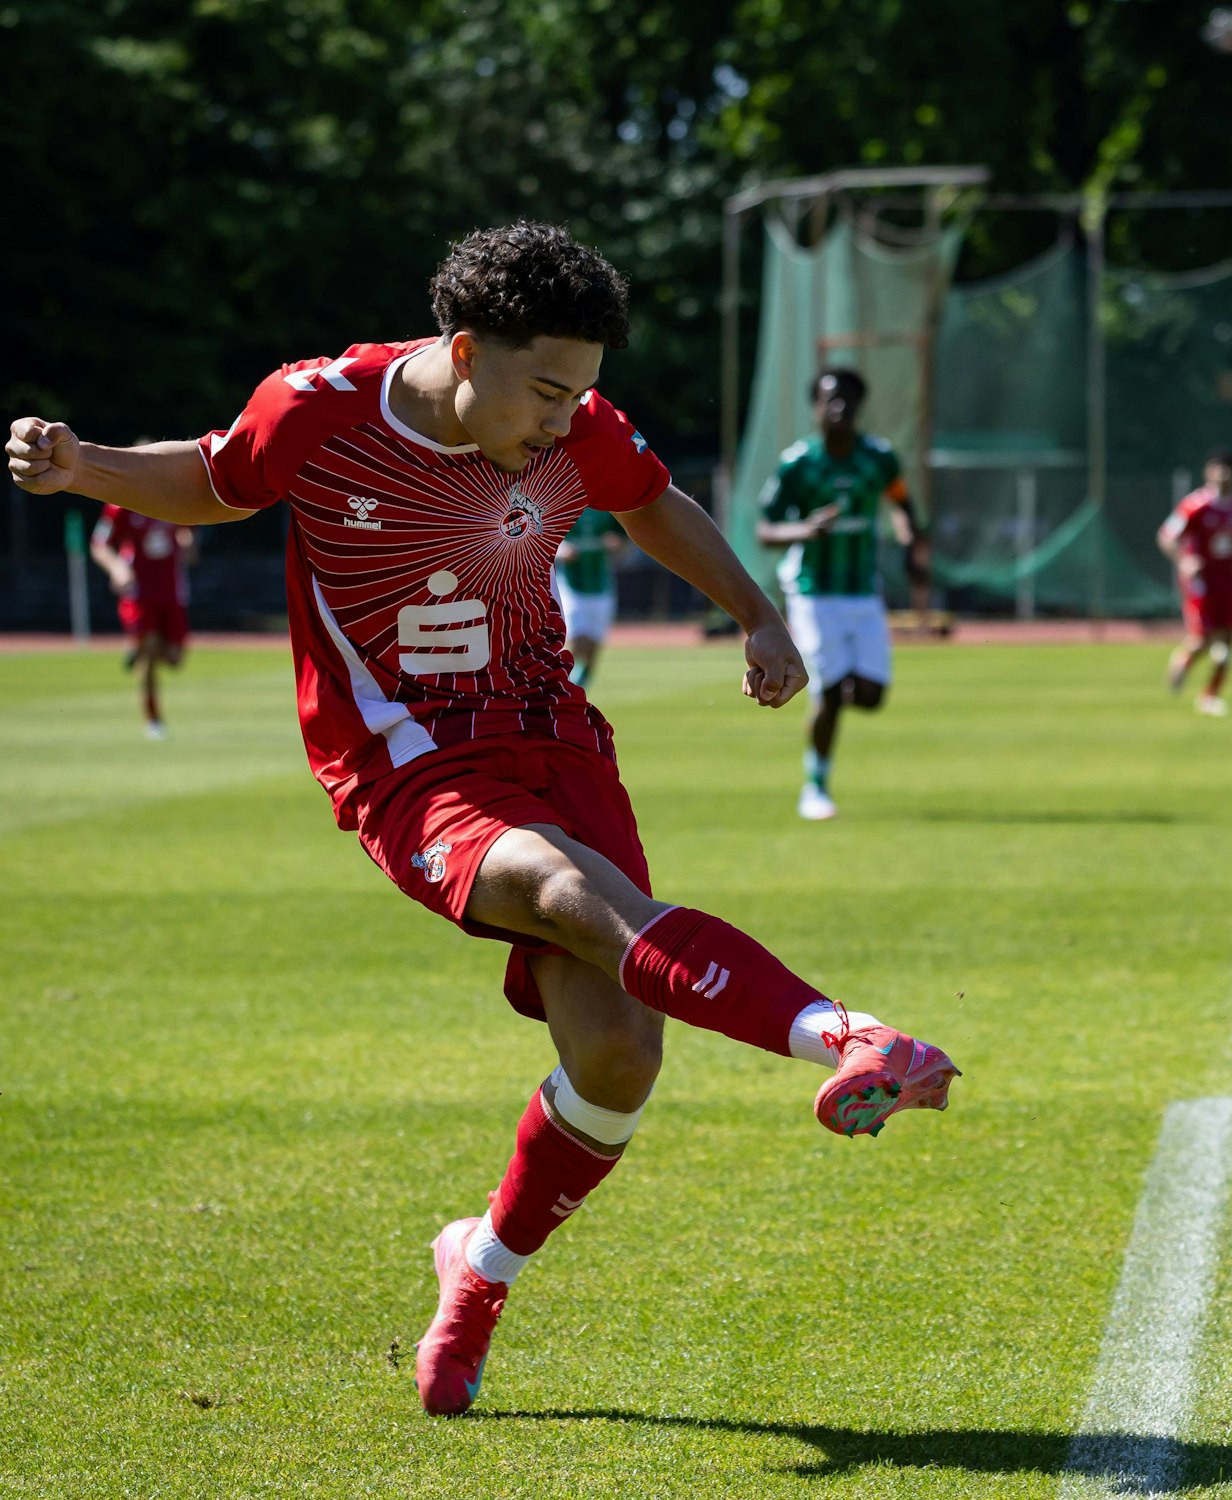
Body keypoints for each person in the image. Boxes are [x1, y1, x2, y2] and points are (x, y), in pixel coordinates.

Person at [6, 222, 959, 1418]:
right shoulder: (320, 407)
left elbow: (650, 503)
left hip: (554, 738)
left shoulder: (579, 426)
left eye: (585, 392)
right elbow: (215, 479)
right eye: (548, 389)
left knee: (616, 1060)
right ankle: (849, 1037)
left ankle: (478, 1273)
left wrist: (759, 616)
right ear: (463, 351)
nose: (567, 417)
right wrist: (82, 462)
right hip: (407, 762)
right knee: (567, 893)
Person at [755, 368, 927, 821]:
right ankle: (815, 784)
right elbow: (765, 528)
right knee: (830, 691)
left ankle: (830, 692)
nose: (839, 407)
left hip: (862, 591)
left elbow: (902, 503)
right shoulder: (799, 463)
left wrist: (910, 540)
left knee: (870, 694)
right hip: (813, 591)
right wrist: (804, 530)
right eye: (830, 399)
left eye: (848, 399)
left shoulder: (879, 458)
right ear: (815, 407)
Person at [1159, 451, 1232, 716]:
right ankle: (1184, 659)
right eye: (1217, 468)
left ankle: (1210, 695)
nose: (1223, 474)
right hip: (1201, 583)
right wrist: (1184, 561)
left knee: (1229, 640)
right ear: (1208, 472)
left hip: (1229, 581)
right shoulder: (1195, 505)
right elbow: (1167, 536)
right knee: (1202, 639)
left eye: (1228, 468)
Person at [89, 499, 196, 737]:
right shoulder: (122, 503)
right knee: (149, 648)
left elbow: (190, 541)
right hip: (139, 591)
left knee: (174, 659)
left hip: (172, 589)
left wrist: (188, 543)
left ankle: (137, 648)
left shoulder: (177, 497)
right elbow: (99, 544)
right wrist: (117, 568)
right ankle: (153, 718)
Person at [552, 502, 623, 689]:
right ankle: (561, 689)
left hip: (601, 586)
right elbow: (543, 539)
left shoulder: (608, 507)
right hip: (570, 585)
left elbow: (623, 541)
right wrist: (562, 550)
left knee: (592, 651)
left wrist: (616, 544)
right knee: (577, 642)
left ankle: (576, 693)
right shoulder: (562, 505)